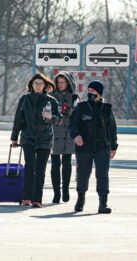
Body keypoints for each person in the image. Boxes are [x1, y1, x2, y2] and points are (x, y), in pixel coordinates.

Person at [11, 73, 61, 208]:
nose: (38, 86)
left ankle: (37, 199)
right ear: (31, 85)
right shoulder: (24, 99)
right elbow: (18, 119)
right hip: (28, 138)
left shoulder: (51, 101)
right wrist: (14, 138)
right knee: (29, 167)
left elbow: (59, 120)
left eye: (40, 83)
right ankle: (26, 197)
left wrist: (51, 117)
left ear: (45, 86)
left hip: (45, 139)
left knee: (40, 170)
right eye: (35, 83)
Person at [69, 80, 118, 214]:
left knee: (102, 174)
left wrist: (114, 147)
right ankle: (80, 199)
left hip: (102, 147)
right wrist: (76, 135)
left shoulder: (106, 108)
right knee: (83, 174)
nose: (90, 93)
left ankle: (103, 203)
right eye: (89, 90)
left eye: (93, 91)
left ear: (99, 93)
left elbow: (112, 128)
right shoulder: (81, 106)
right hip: (84, 147)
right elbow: (72, 124)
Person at [49, 72, 79, 203]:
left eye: (63, 82)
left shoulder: (74, 97)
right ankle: (56, 192)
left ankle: (65, 189)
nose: (60, 85)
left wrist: (69, 110)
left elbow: (78, 113)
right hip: (54, 132)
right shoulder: (50, 96)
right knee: (55, 164)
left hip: (68, 132)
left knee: (67, 162)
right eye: (58, 82)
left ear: (68, 83)